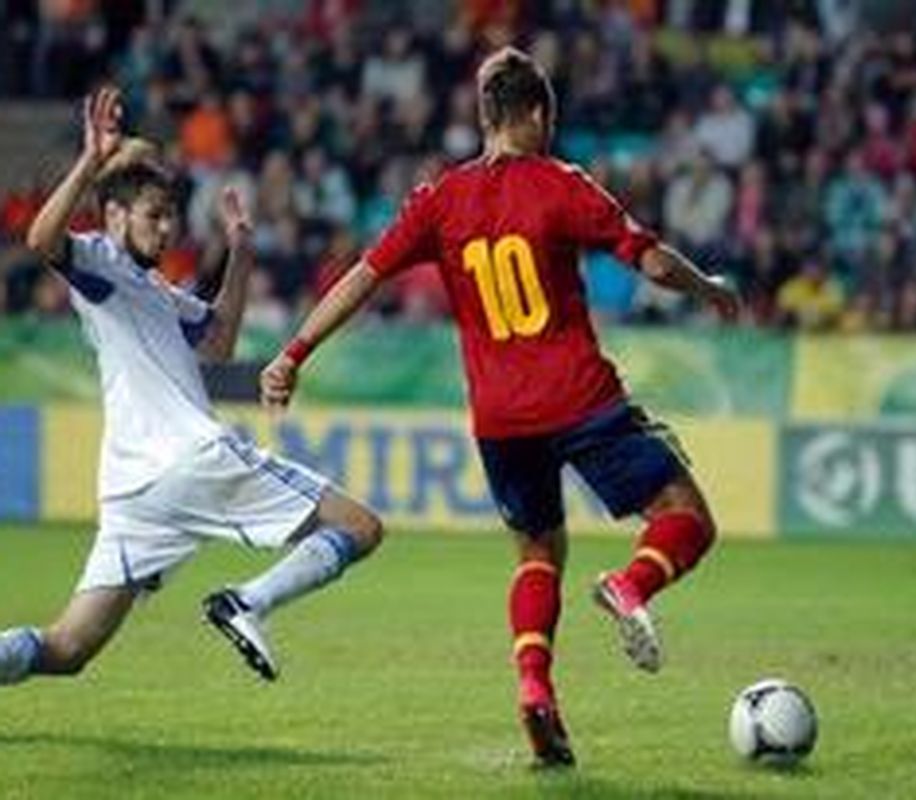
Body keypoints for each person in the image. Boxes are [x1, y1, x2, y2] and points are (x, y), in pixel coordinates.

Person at [260, 47, 738, 768]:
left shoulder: (438, 201)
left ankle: (534, 689)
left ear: (485, 116)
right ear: (539, 114)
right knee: (685, 518)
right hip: (579, 398)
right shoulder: (563, 185)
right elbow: (653, 261)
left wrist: (293, 352)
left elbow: (363, 277)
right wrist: (712, 289)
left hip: (500, 420)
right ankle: (630, 584)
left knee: (537, 552)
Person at [0, 86, 384, 690]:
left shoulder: (155, 291)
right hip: (190, 458)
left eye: (170, 214)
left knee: (68, 647)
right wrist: (90, 162)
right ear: (115, 216)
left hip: (134, 492)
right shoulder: (99, 262)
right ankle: (247, 602)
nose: (167, 226)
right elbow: (42, 241)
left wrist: (240, 251)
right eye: (153, 214)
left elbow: (220, 342)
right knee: (361, 527)